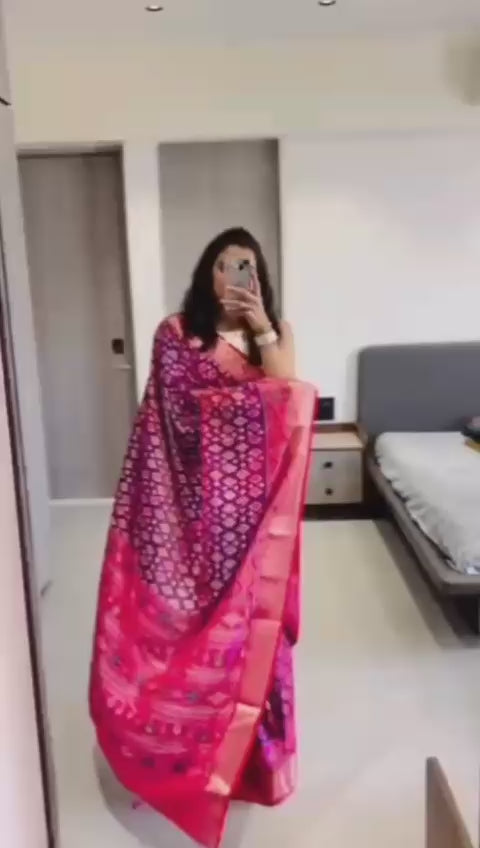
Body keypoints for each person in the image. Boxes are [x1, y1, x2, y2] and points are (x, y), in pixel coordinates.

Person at [89, 228, 315, 848]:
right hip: (191, 519)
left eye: (245, 265)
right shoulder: (177, 334)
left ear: (259, 275)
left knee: (255, 634)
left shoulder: (277, 332)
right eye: (221, 264)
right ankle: (169, 757)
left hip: (254, 520)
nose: (232, 276)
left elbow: (286, 401)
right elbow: (173, 423)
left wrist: (263, 330)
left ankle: (249, 763)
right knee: (182, 631)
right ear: (205, 273)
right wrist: (236, 413)